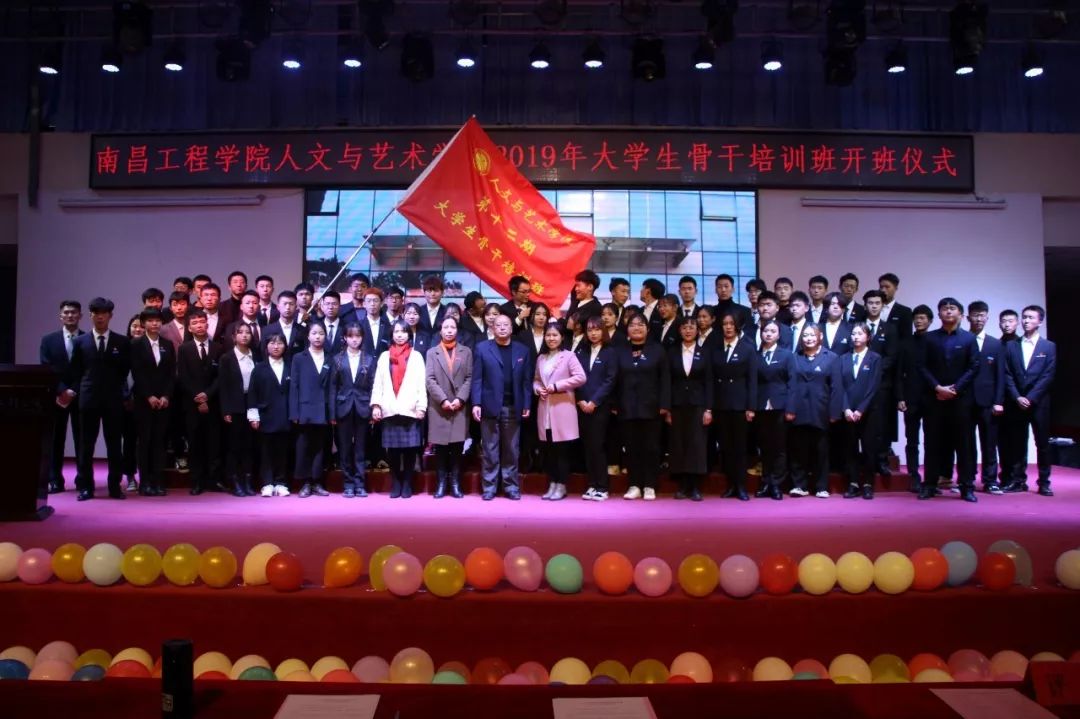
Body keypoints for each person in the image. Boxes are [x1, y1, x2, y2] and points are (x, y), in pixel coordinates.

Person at [68, 297, 132, 501]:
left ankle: (115, 486)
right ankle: (86, 486)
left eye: (104, 313)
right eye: (96, 313)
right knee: (86, 445)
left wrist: (117, 390)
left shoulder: (122, 342)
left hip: (113, 399)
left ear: (110, 316)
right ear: (91, 316)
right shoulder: (80, 341)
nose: (100, 317)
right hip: (88, 399)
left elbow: (124, 370)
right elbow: (76, 371)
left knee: (114, 445)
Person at [918, 297, 980, 503]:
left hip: (960, 400)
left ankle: (967, 487)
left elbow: (974, 366)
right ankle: (929, 484)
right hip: (934, 398)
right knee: (932, 444)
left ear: (960, 314)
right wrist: (937, 387)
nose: (948, 311)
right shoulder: (929, 338)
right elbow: (921, 366)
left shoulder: (969, 339)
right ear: (939, 314)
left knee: (964, 445)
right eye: (944, 309)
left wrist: (955, 389)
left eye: (952, 308)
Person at [471, 313, 533, 500]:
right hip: (489, 406)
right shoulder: (482, 348)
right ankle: (489, 487)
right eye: (498, 325)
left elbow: (526, 381)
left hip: (513, 406)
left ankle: (511, 486)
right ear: (492, 328)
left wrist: (527, 403)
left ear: (512, 328)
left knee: (511, 449)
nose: (503, 328)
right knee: (490, 449)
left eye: (506, 324)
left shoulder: (523, 350)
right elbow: (477, 378)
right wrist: (476, 403)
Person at [1002, 305, 1057, 496]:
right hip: (1016, 402)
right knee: (1017, 443)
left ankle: (1044, 482)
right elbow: (1007, 374)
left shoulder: (1048, 346)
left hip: (1039, 403)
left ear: (1040, 322)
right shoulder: (1011, 345)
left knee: (1042, 444)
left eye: (1031, 318)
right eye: (1024, 317)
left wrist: (1031, 397)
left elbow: (1048, 375)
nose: (1026, 321)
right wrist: (1017, 396)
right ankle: (1018, 481)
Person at [615, 314, 671, 501]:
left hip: (652, 408)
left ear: (647, 329)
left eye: (641, 324)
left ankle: (649, 485)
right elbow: (614, 379)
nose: (636, 328)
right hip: (627, 407)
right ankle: (634, 485)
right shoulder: (620, 351)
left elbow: (665, 379)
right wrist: (615, 403)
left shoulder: (657, 350)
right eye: (632, 325)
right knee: (631, 448)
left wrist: (664, 404)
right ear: (627, 329)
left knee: (651, 448)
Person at [371, 319, 428, 498]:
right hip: (390, 407)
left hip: (410, 408)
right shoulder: (384, 356)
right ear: (392, 335)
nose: (400, 335)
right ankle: (396, 482)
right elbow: (378, 383)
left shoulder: (416, 356)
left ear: (409, 335)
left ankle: (407, 483)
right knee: (393, 450)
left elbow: (421, 383)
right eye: (396, 332)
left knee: (410, 449)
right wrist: (376, 405)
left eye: (403, 332)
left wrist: (422, 406)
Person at [787, 325, 844, 498]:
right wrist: (790, 408)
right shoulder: (794, 357)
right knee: (799, 450)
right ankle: (799, 485)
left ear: (820, 337)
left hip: (821, 410)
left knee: (821, 451)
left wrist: (834, 413)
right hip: (799, 410)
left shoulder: (832, 358)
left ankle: (821, 487)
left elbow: (836, 388)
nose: (809, 338)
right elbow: (791, 385)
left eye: (812, 335)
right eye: (805, 335)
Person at [532, 321, 587, 501]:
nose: (551, 338)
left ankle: (561, 485)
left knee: (562, 451)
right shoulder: (541, 358)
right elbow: (536, 380)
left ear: (562, 337)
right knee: (549, 451)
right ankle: (552, 483)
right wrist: (537, 389)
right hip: (544, 410)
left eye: (555, 335)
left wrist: (557, 386)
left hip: (563, 409)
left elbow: (581, 377)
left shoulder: (569, 356)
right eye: (548, 335)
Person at [129, 307, 176, 497]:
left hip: (163, 401)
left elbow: (171, 373)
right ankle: (145, 482)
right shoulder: (136, 344)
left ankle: (157, 481)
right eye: (150, 321)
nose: (154, 324)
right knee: (144, 441)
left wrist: (166, 395)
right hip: (143, 400)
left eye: (157, 320)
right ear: (143, 323)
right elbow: (137, 372)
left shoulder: (167, 344)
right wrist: (149, 396)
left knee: (159, 441)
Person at [177, 310, 224, 495]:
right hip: (192, 404)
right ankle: (197, 481)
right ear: (189, 328)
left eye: (202, 322)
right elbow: (183, 376)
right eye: (195, 323)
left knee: (214, 443)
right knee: (195, 443)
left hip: (213, 403)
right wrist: (198, 397)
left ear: (207, 324)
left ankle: (214, 479)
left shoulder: (218, 348)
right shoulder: (184, 349)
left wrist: (207, 395)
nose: (199, 325)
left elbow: (220, 377)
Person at [667, 316, 713, 501]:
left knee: (697, 444)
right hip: (677, 405)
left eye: (691, 327)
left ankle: (695, 486)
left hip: (698, 405)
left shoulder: (705, 352)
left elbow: (709, 382)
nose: (688, 330)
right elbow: (667, 381)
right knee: (679, 443)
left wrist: (709, 409)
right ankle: (682, 485)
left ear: (697, 330)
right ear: (679, 330)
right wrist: (667, 408)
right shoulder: (671, 352)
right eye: (684, 327)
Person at [426, 316, 473, 499]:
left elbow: (469, 378)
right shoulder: (432, 352)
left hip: (459, 406)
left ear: (457, 330)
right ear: (440, 330)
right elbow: (430, 379)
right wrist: (443, 400)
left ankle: (455, 484)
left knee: (457, 448)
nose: (449, 330)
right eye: (446, 327)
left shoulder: (466, 351)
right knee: (440, 448)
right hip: (439, 406)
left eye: (452, 327)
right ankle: (441, 484)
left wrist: (460, 399)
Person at [40, 300, 84, 494]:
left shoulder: (87, 338)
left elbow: (88, 369)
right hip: (57, 397)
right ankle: (55, 479)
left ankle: (83, 479)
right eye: (66, 313)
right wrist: (62, 390)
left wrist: (73, 390)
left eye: (74, 312)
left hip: (80, 396)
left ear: (80, 316)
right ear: (60, 316)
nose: (70, 316)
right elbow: (46, 366)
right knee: (55, 440)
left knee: (82, 440)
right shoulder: (48, 340)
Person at [712, 313, 757, 500]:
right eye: (725, 324)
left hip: (740, 405)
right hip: (721, 405)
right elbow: (712, 379)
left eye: (731, 323)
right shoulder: (716, 348)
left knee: (740, 447)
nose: (728, 327)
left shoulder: (748, 348)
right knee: (726, 447)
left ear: (738, 326)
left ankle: (741, 486)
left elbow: (752, 380)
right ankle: (730, 485)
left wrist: (751, 407)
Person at [329, 324, 376, 498]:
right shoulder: (337, 359)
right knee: (345, 448)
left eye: (357, 336)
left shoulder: (369, 359)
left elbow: (373, 386)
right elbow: (333, 388)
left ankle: (360, 484)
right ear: (345, 338)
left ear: (362, 337)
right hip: (343, 407)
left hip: (363, 407)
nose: (354, 340)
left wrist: (373, 408)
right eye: (350, 336)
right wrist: (332, 413)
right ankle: (348, 484)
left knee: (361, 449)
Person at [575, 316, 617, 501]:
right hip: (582, 405)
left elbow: (610, 380)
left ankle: (602, 486)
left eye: (597, 329)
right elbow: (575, 377)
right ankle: (592, 484)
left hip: (600, 407)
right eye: (590, 330)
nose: (593, 333)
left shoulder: (610, 352)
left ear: (603, 331)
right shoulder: (581, 352)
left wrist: (594, 401)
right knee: (587, 446)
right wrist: (580, 400)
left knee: (598, 445)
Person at [840, 323, 883, 500]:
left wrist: (860, 409)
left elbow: (873, 387)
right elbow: (839, 386)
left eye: (860, 333)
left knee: (868, 448)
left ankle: (868, 484)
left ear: (868, 337)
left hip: (868, 411)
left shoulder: (875, 358)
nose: (856, 337)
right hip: (848, 412)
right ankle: (853, 483)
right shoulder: (843, 358)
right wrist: (846, 408)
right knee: (850, 448)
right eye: (854, 334)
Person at [289, 322, 332, 498]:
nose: (317, 337)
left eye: (321, 333)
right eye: (314, 333)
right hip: (304, 409)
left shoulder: (330, 357)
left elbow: (332, 386)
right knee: (304, 447)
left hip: (323, 410)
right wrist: (294, 412)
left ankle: (317, 481)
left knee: (320, 447)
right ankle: (305, 482)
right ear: (308, 336)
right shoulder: (299, 358)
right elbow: (294, 386)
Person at [247, 333, 293, 497]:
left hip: (286, 415)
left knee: (283, 451)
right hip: (266, 415)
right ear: (266, 346)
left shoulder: (290, 366)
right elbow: (252, 393)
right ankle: (267, 483)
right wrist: (253, 415)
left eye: (280, 343)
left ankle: (281, 483)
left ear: (285, 346)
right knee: (266, 451)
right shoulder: (259, 368)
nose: (276, 346)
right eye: (272, 343)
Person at [966, 301, 1005, 494]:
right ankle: (967, 479)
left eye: (982, 315)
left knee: (989, 442)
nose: (979, 319)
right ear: (968, 318)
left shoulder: (995, 344)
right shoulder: (963, 339)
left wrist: (998, 401)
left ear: (987, 318)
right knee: (966, 443)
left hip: (988, 402)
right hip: (965, 400)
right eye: (975, 315)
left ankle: (990, 480)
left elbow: (1001, 375)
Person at [754, 319, 795, 500]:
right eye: (766, 331)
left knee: (779, 446)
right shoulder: (755, 355)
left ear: (779, 335)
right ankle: (765, 482)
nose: (769, 334)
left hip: (781, 406)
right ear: (761, 333)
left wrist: (791, 407)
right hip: (761, 406)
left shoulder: (787, 355)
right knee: (764, 446)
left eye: (773, 331)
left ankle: (776, 484)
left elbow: (793, 383)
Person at [896, 305, 934, 492]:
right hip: (910, 398)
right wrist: (900, 397)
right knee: (912, 440)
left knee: (931, 440)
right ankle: (913, 475)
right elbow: (898, 372)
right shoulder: (905, 343)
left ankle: (931, 477)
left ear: (930, 321)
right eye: (916, 318)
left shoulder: (935, 341)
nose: (919, 321)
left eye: (922, 318)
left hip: (932, 398)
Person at [219, 323, 258, 497]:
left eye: (248, 332)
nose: (244, 335)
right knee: (234, 446)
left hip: (252, 404)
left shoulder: (256, 356)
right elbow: (223, 386)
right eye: (240, 332)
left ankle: (248, 481)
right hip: (234, 406)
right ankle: (235, 482)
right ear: (234, 337)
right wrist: (225, 410)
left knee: (249, 446)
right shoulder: (226, 358)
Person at [863, 289, 900, 476]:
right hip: (859, 384)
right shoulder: (857, 326)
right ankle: (863, 460)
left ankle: (882, 460)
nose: (874, 306)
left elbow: (891, 357)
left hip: (882, 384)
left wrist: (872, 371)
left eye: (877, 303)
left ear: (883, 306)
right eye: (870, 303)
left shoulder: (890, 329)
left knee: (882, 423)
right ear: (865, 305)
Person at [121, 314, 143, 492]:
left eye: (141, 326)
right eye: (134, 326)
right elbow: (118, 375)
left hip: (146, 401)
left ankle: (147, 476)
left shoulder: (151, 347)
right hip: (126, 402)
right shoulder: (122, 347)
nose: (138, 329)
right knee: (128, 440)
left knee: (145, 441)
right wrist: (125, 396)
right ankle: (130, 475)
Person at [262, 290, 308, 361]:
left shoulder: (302, 330)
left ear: (296, 307)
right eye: (285, 304)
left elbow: (305, 353)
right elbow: (264, 354)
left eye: (291, 304)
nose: (288, 307)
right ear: (278, 307)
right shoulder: (267, 330)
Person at [224, 290, 263, 359]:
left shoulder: (265, 326)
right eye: (247, 303)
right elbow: (229, 351)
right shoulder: (232, 327)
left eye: (254, 303)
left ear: (259, 307)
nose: (251, 306)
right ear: (241, 306)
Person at [878, 273, 913, 339]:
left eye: (887, 287)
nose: (883, 290)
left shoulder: (905, 312)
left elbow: (906, 338)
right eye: (881, 287)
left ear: (895, 288)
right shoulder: (872, 309)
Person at [360, 288, 392, 356]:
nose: (372, 304)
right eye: (369, 301)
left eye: (375, 301)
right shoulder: (359, 325)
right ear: (364, 304)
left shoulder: (388, 326)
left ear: (382, 303)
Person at [417, 276, 447, 348]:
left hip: (442, 350)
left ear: (442, 293)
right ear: (424, 292)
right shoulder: (418, 311)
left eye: (436, 290)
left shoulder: (447, 311)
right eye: (429, 291)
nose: (433, 294)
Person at [318, 291, 345, 356]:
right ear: (322, 306)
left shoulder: (347, 327)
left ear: (340, 306)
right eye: (327, 304)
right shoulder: (316, 327)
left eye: (334, 304)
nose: (330, 307)